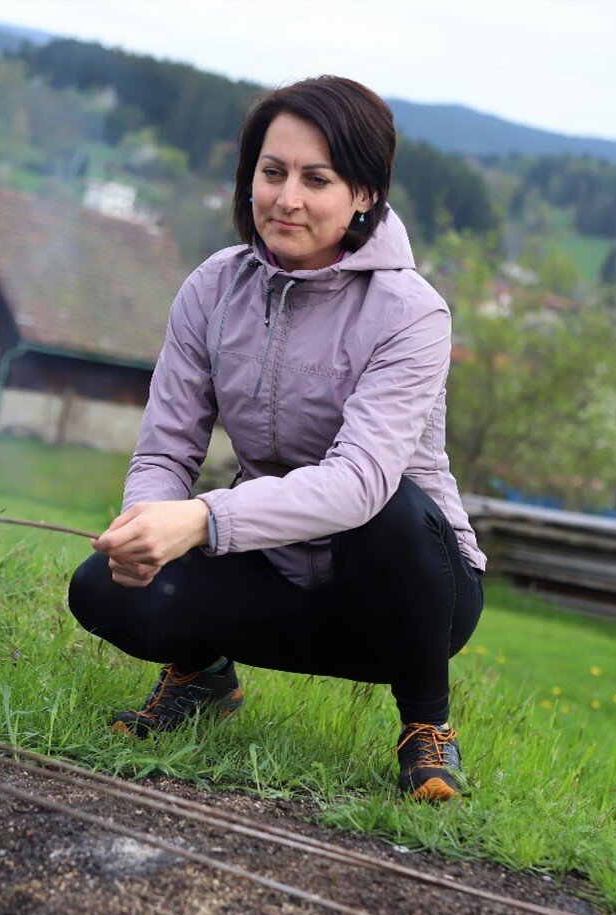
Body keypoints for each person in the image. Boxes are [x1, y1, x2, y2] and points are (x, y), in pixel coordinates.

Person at [66, 75, 487, 803]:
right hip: (271, 565)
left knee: (387, 507)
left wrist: (201, 519)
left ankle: (426, 725)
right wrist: (146, 526)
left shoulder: (412, 313)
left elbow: (358, 483)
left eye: (316, 179)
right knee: (101, 591)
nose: (286, 198)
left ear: (364, 195)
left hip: (405, 591)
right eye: (272, 172)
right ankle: (200, 679)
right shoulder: (211, 289)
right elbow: (167, 449)